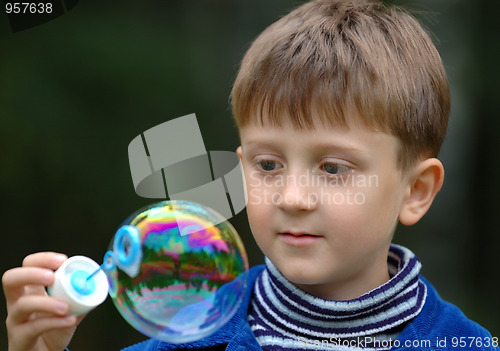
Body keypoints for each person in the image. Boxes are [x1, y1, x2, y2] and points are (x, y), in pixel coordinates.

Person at [3, 0, 498, 350]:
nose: (293, 196)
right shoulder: (188, 339)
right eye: (268, 165)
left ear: (415, 191)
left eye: (332, 168)